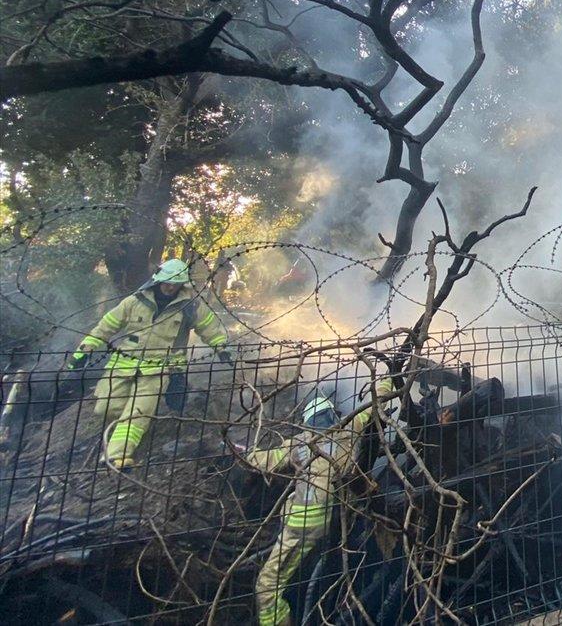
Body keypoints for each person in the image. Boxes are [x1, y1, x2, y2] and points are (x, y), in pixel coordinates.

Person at [243, 375, 395, 626]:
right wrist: (388, 379)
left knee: (267, 586)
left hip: (301, 526)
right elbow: (374, 405)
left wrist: (243, 453)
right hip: (332, 518)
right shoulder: (350, 429)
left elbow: (268, 460)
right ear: (333, 415)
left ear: (307, 423)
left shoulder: (303, 442)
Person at [67, 258, 231, 469]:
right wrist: (85, 350)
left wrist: (222, 348)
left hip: (160, 368)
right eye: (167, 282)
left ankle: (116, 456)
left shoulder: (190, 306)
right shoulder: (134, 302)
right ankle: (114, 443)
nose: (170, 287)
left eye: (175, 283)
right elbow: (106, 326)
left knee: (138, 413)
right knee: (107, 408)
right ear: (158, 280)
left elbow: (211, 328)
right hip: (123, 365)